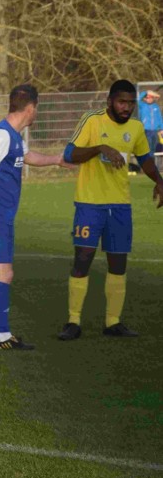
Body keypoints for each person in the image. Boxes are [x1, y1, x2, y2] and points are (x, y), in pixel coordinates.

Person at [58, 80, 163, 341]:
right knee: (82, 259)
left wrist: (160, 181)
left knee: (118, 263)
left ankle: (113, 322)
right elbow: (69, 154)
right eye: (121, 102)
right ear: (109, 101)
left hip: (120, 206)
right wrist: (99, 148)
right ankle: (73, 321)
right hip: (89, 203)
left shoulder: (136, 128)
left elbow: (146, 159)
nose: (126, 107)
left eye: (129, 103)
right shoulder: (92, 120)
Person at [0, 84, 72, 350]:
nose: (36, 113)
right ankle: (4, 336)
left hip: (2, 216)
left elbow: (27, 156)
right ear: (30, 108)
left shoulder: (15, 136)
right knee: (4, 273)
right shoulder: (2, 135)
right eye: (36, 108)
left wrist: (56, 160)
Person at [138, 90, 162, 155]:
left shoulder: (155, 106)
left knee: (154, 146)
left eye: (151, 97)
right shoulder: (142, 105)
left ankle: (151, 160)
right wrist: (146, 92)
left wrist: (161, 128)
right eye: (148, 97)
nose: (149, 99)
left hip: (155, 130)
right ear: (145, 99)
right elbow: (138, 99)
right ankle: (148, 160)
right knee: (148, 146)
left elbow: (159, 118)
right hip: (146, 130)